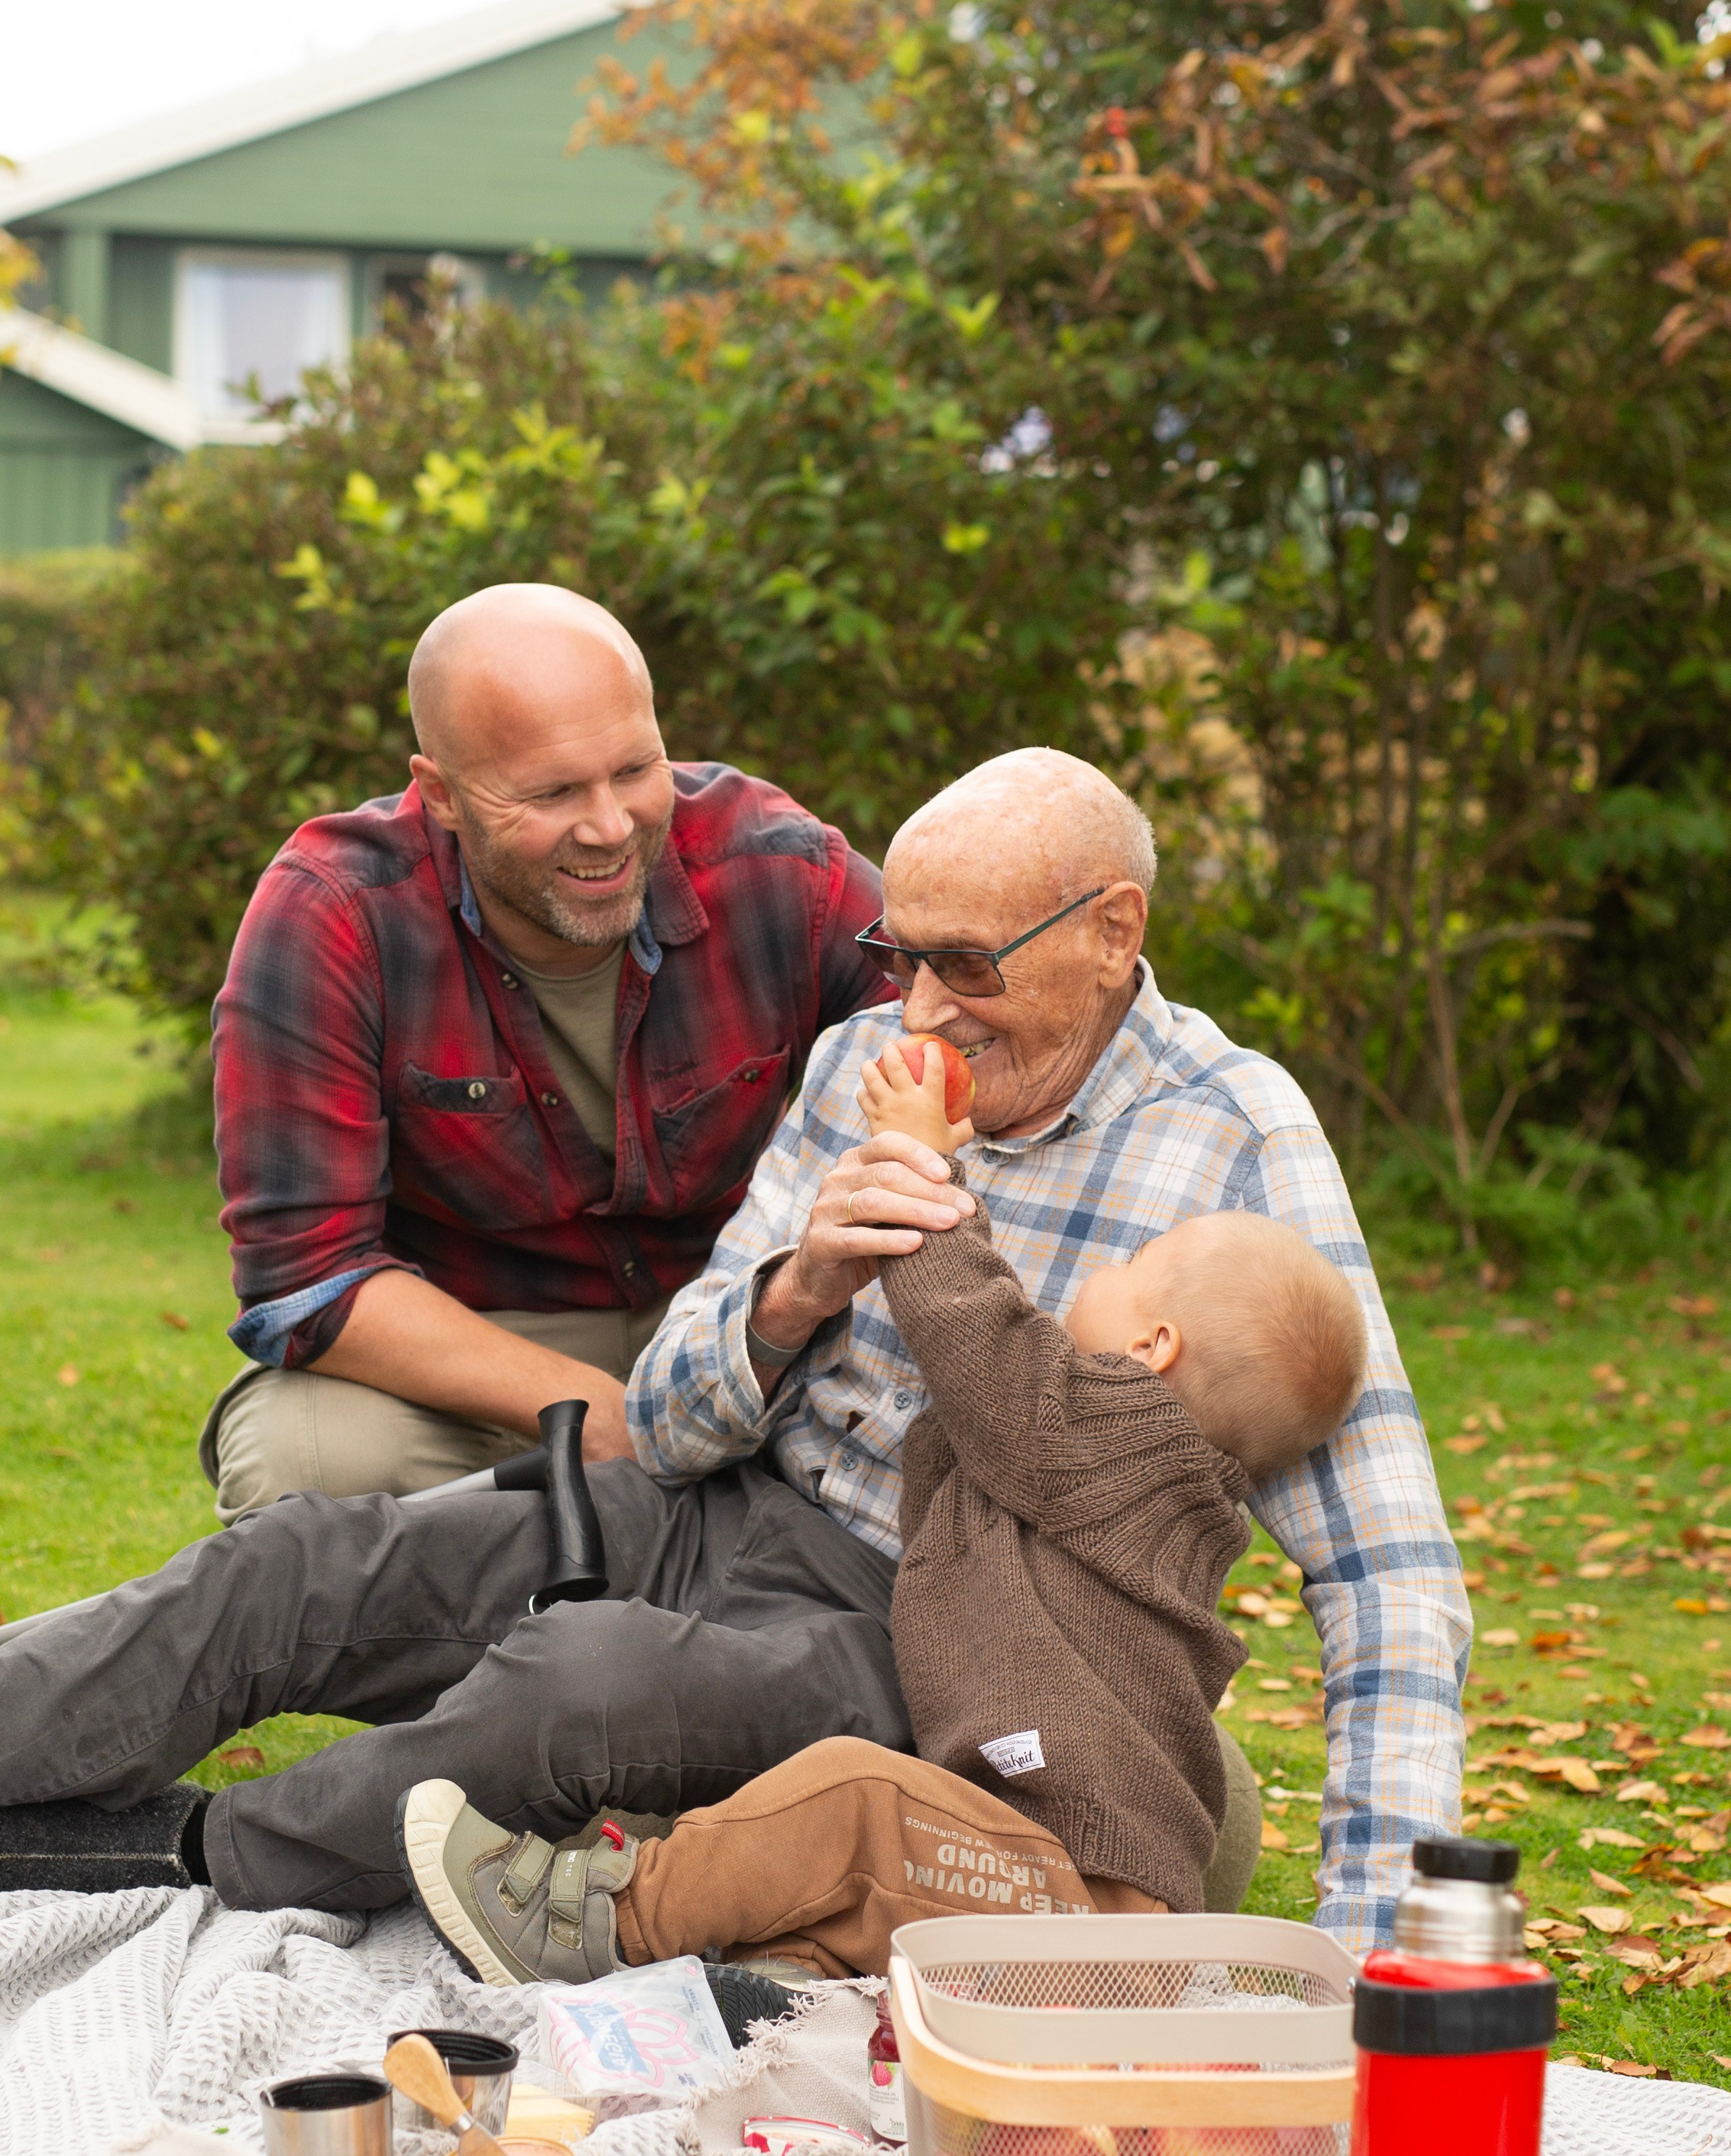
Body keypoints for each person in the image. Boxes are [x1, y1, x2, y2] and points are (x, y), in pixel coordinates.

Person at [0, 748, 1464, 1954]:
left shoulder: (1234, 1136)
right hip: (728, 1512)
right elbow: (678, 1414)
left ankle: (178, 1847)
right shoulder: (860, 1063)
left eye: (968, 964)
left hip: (942, 1633)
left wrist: (1372, 1952)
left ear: (1110, 930)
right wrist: (793, 1290)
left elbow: (1385, 1570)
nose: (926, 1007)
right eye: (901, 956)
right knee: (299, 1563)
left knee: (574, 1686)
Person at [396, 1042, 1370, 1985]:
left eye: (1129, 1267)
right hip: (1032, 1886)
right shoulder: (1126, 1480)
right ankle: (772, 1994)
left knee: (855, 1801)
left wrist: (923, 1161)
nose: (1093, 1279)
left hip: (1081, 1905)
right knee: (863, 1887)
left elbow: (972, 1329)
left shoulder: (1124, 1439)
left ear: (1155, 1346)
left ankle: (591, 1919)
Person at [201, 581, 891, 1517]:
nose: (610, 827)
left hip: (733, 1313)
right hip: (476, 1344)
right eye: (553, 792)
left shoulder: (777, 867)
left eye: (634, 770)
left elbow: (964, 1022)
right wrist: (594, 1412)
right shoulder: (333, 915)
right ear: (440, 792)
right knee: (310, 1465)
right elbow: (306, 1279)